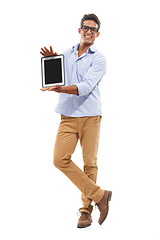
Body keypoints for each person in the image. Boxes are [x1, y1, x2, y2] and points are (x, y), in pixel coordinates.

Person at [40, 13, 112, 228]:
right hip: (67, 116)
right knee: (59, 159)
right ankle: (100, 195)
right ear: (79, 30)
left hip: (90, 115)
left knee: (89, 163)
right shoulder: (67, 54)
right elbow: (58, 75)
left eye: (93, 29)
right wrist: (54, 61)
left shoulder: (99, 59)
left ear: (97, 34)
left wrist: (61, 88)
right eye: (85, 27)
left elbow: (86, 87)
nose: (88, 31)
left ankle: (86, 211)